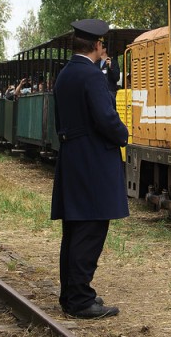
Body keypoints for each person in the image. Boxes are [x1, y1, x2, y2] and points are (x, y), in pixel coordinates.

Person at [51, 19, 129, 319]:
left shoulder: (65, 75)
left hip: (72, 156)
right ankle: (81, 299)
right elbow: (106, 118)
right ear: (98, 45)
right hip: (94, 160)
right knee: (91, 229)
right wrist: (122, 134)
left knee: (73, 231)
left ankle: (71, 294)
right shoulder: (92, 76)